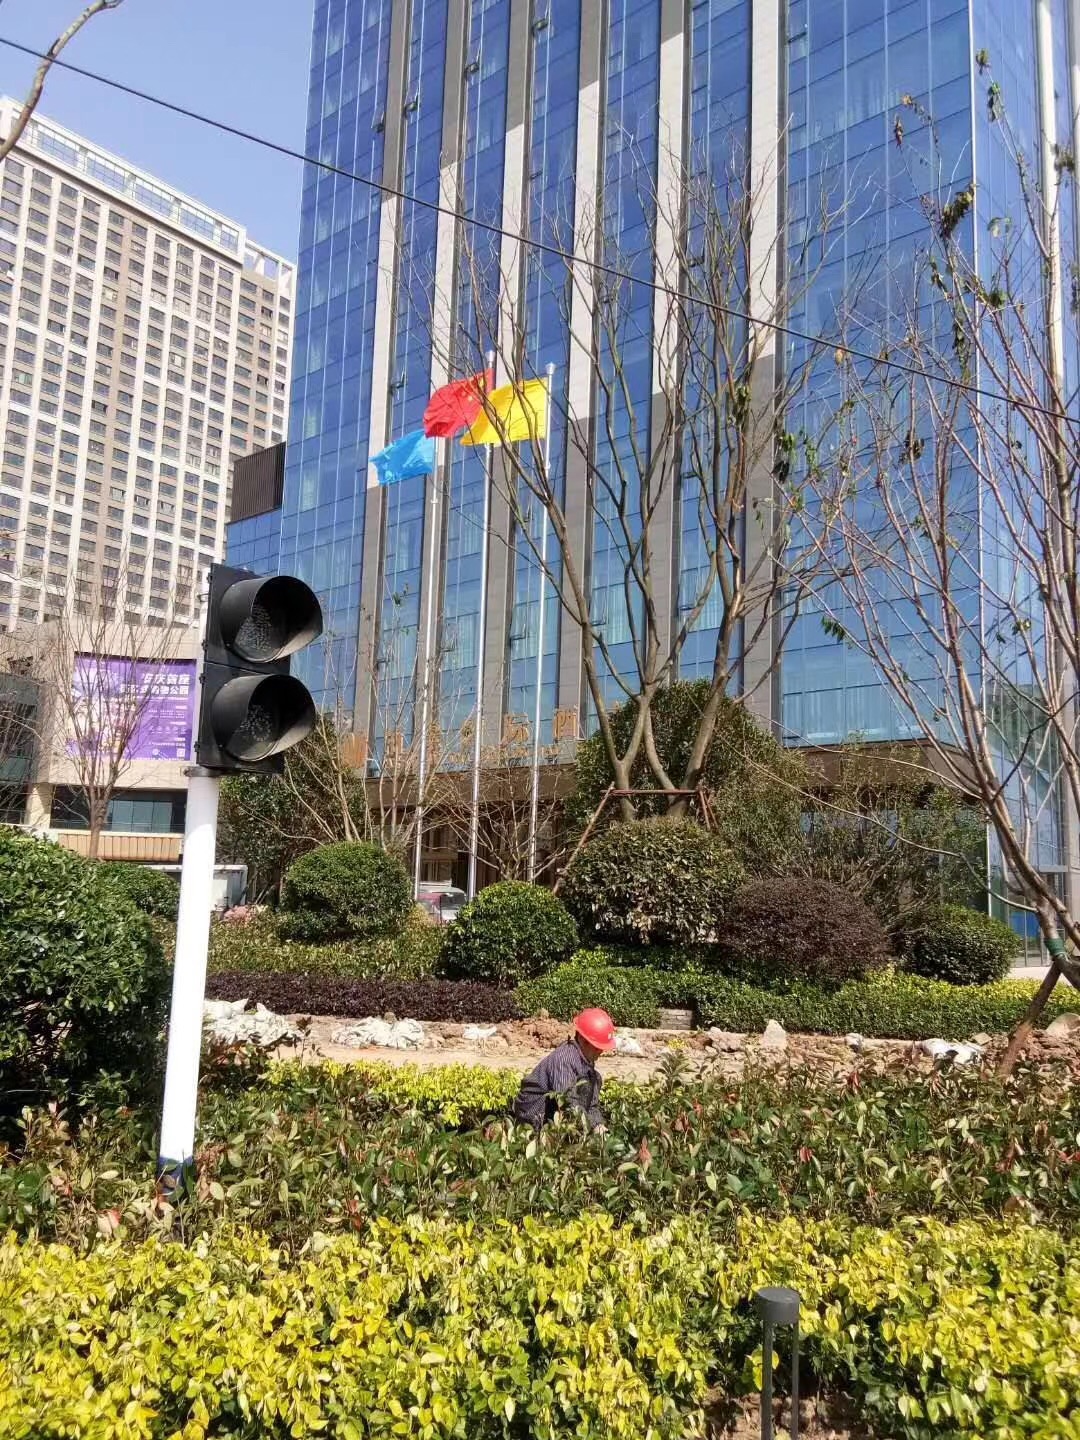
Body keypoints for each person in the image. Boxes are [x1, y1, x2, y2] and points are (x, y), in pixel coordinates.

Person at [512, 1008, 616, 1132]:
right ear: (583, 1040)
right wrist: (588, 1125)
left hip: (556, 1111)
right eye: (597, 1047)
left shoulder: (586, 1059)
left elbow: (591, 1105)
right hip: (533, 1114)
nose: (601, 1051)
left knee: (594, 1079)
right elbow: (567, 1101)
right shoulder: (565, 1059)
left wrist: (598, 1125)